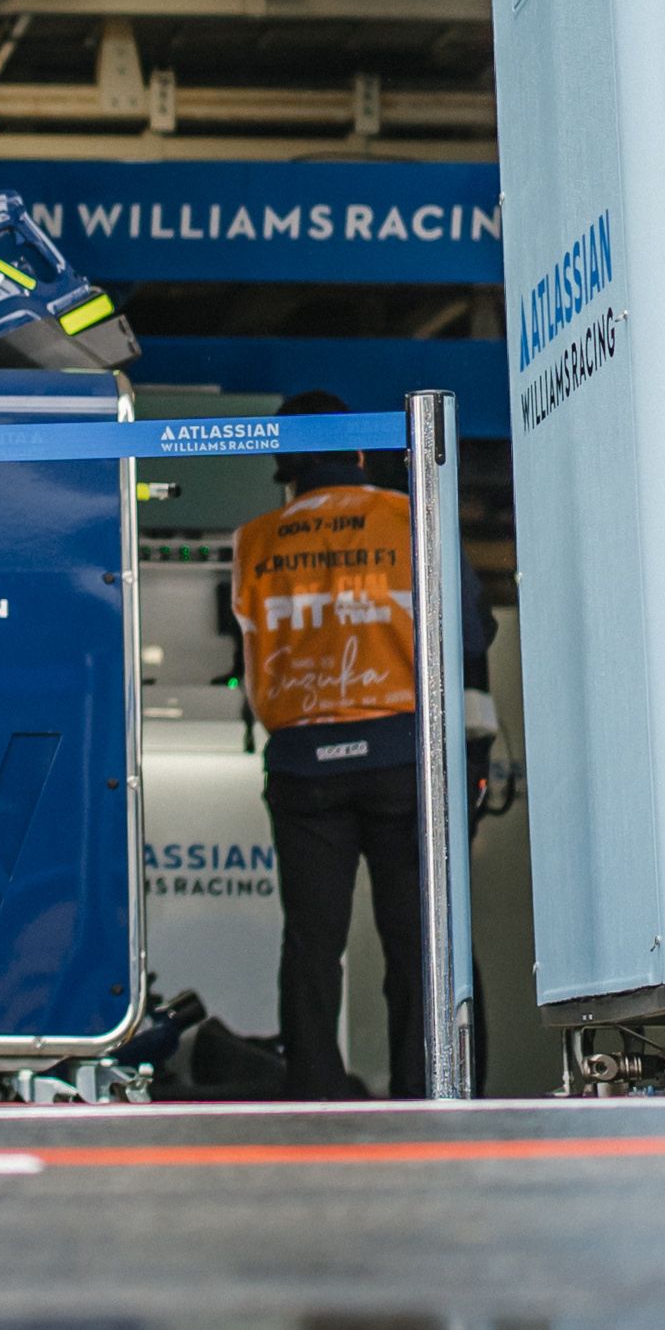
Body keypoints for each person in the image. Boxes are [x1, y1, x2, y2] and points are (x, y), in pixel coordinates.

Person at [232, 395, 441, 1097]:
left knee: (313, 945)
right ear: (358, 454)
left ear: (285, 470)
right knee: (418, 942)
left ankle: (313, 1093)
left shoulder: (255, 539)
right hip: (400, 756)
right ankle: (428, 1093)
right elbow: (468, 633)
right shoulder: (407, 518)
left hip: (301, 766)